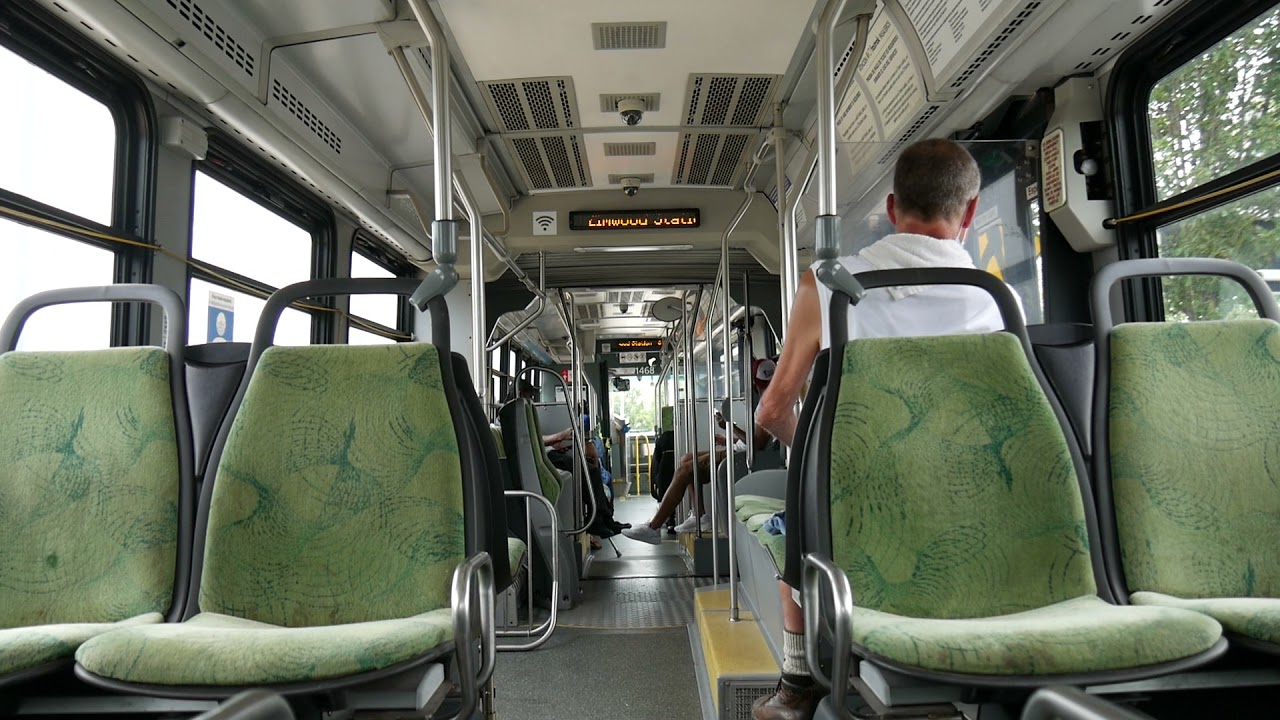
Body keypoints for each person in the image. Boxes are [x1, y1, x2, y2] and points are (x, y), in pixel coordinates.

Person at [750, 138, 1014, 720]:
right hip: (971, 509)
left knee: (796, 506)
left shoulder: (825, 286)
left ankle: (798, 685)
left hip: (859, 504)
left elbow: (771, 412)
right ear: (969, 214)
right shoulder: (999, 302)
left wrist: (830, 452)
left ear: (893, 209)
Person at [623, 359, 776, 544]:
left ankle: (653, 528)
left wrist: (728, 426)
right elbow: (755, 439)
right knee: (686, 459)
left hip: (741, 457)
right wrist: (728, 440)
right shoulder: (769, 400)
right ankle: (699, 515)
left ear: (753, 381)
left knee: (684, 471)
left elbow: (756, 444)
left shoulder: (769, 404)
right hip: (738, 449)